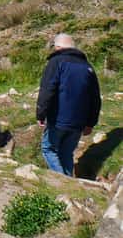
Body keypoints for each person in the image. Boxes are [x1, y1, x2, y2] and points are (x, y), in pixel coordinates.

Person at [36, 33, 101, 177]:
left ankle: (63, 182)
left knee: (48, 149)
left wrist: (40, 114)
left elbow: (47, 90)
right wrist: (91, 122)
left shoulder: (56, 62)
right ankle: (70, 183)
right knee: (66, 152)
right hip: (79, 122)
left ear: (58, 47)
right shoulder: (87, 67)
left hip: (59, 119)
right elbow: (95, 97)